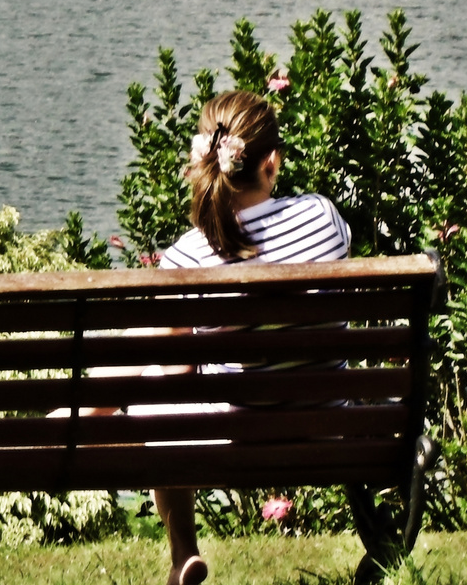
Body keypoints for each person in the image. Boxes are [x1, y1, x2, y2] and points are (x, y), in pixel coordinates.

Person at [149, 89, 351, 585]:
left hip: (232, 437)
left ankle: (183, 556)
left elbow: (173, 374)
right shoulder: (323, 218)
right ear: (272, 163)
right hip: (330, 429)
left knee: (156, 395)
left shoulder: (188, 258)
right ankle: (382, 541)